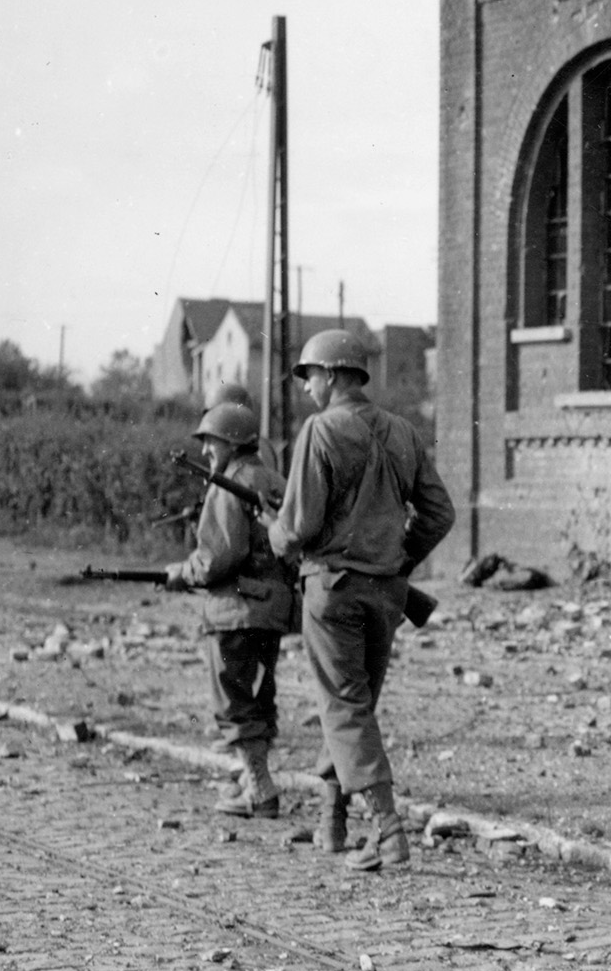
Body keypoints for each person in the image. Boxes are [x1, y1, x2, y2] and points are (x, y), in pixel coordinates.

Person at [267, 329, 454, 872]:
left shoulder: (320, 430)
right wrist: (397, 561)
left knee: (344, 707)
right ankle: (333, 820)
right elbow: (440, 514)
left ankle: (389, 831)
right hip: (387, 595)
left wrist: (274, 535)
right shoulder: (403, 431)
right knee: (354, 707)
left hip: (333, 591)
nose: (306, 388)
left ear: (331, 374)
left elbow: (299, 525)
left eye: (309, 376)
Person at [163, 402, 294, 818]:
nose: (205, 453)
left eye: (211, 442)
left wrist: (183, 572)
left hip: (234, 610)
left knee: (233, 701)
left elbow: (219, 555)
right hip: (272, 611)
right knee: (259, 696)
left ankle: (260, 788)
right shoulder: (276, 479)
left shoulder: (229, 482)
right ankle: (250, 781)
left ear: (232, 442)